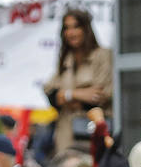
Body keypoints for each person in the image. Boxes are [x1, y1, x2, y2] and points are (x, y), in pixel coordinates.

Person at [43, 8, 113, 153]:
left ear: (85, 29)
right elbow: (52, 95)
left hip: (92, 132)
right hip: (65, 134)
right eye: (66, 28)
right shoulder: (65, 60)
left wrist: (66, 96)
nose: (71, 33)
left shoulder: (102, 55)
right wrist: (75, 95)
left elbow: (99, 96)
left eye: (76, 27)